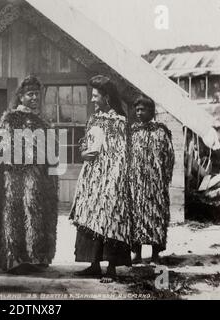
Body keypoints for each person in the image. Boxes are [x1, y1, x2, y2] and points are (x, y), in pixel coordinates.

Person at [0, 75, 58, 274]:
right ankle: (15, 258)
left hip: (37, 177)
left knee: (35, 213)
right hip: (14, 176)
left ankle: (35, 257)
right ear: (21, 97)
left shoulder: (44, 122)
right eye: (30, 94)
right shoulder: (10, 118)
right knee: (14, 214)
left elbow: (52, 151)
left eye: (37, 94)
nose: (34, 98)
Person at [70, 75, 131, 283]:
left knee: (111, 219)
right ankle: (94, 264)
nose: (92, 99)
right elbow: (86, 143)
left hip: (111, 178)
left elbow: (121, 153)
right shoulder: (94, 118)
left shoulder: (119, 122)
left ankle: (112, 268)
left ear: (106, 97)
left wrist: (114, 181)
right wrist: (82, 153)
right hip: (92, 177)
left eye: (95, 96)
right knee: (91, 218)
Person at [130, 96, 174, 264]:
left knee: (156, 217)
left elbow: (169, 157)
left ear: (151, 111)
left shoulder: (161, 132)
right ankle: (137, 253)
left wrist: (164, 179)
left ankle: (155, 254)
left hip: (156, 184)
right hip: (137, 184)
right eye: (137, 109)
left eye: (143, 109)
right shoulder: (133, 131)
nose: (139, 112)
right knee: (137, 217)